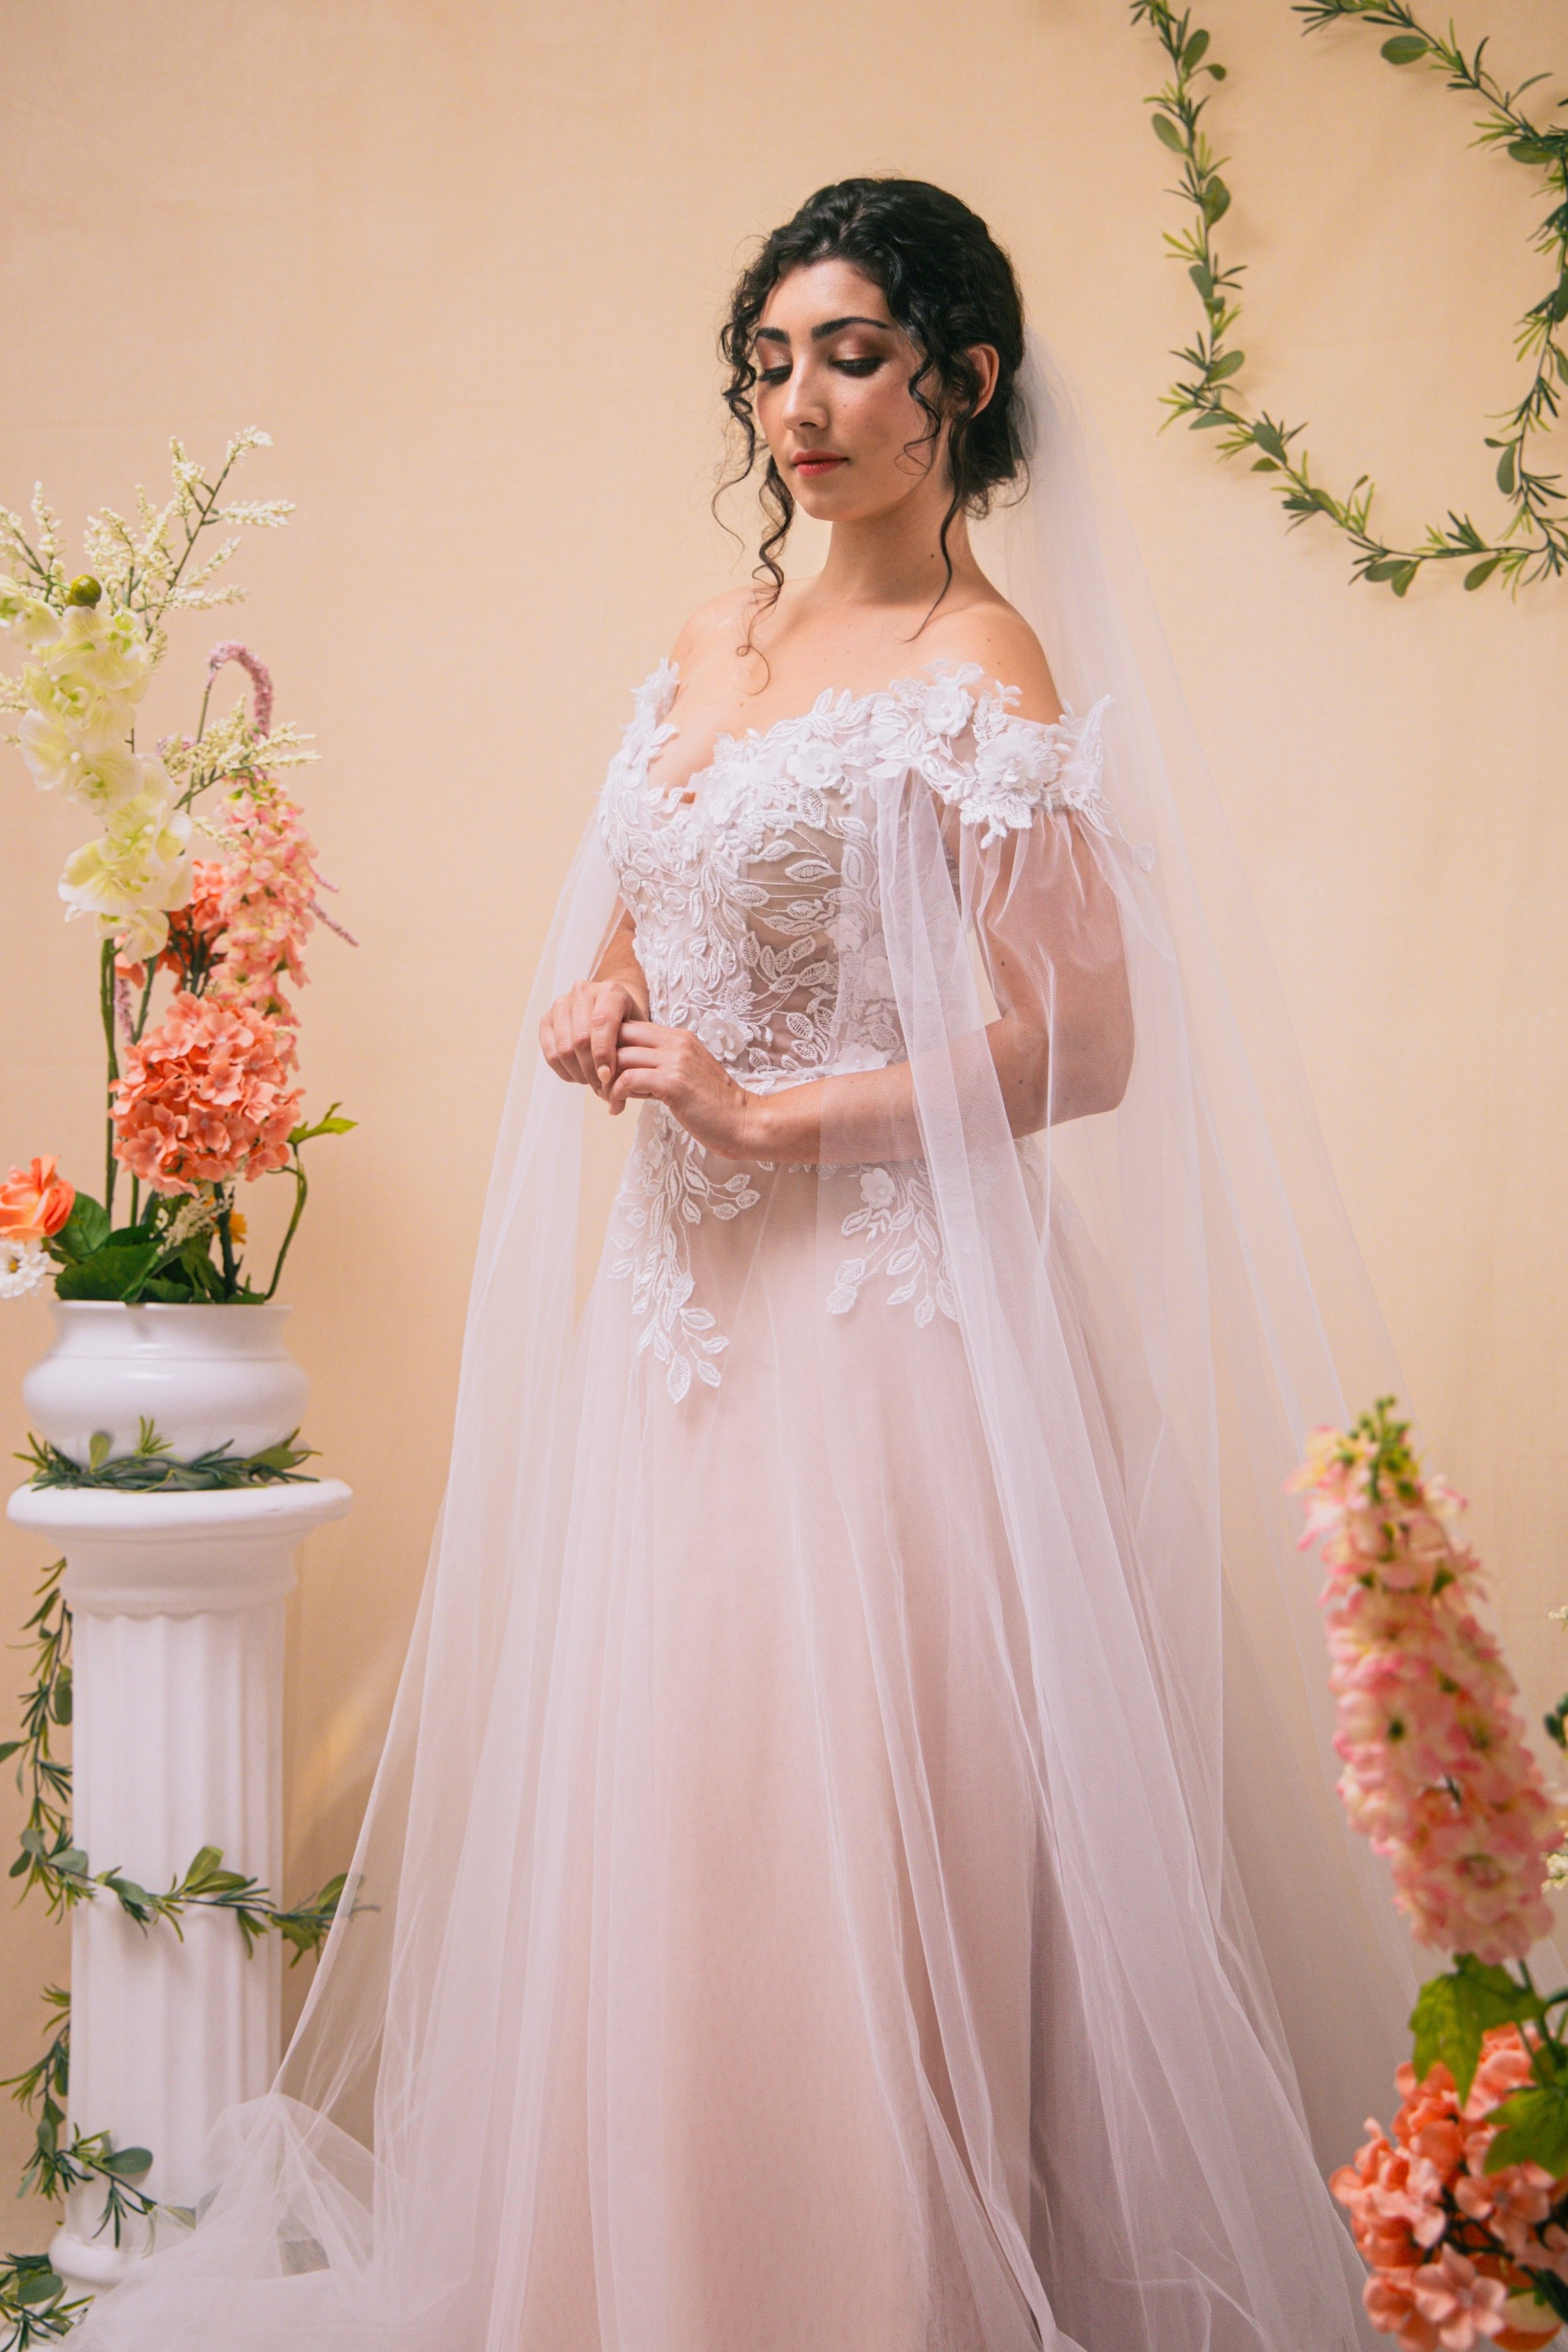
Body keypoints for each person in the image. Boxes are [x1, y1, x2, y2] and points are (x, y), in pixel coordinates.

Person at [77, 178, 1414, 2352]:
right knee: (678, 1823)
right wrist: (587, 1007)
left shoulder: (980, 664)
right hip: (678, 1328)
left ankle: (887, 2297)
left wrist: (769, 1115)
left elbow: (1080, 1041)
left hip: (884, 1330)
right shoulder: (717, 636)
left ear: (960, 383)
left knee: (859, 1840)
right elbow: (654, 906)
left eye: (855, 354)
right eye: (774, 357)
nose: (800, 400)